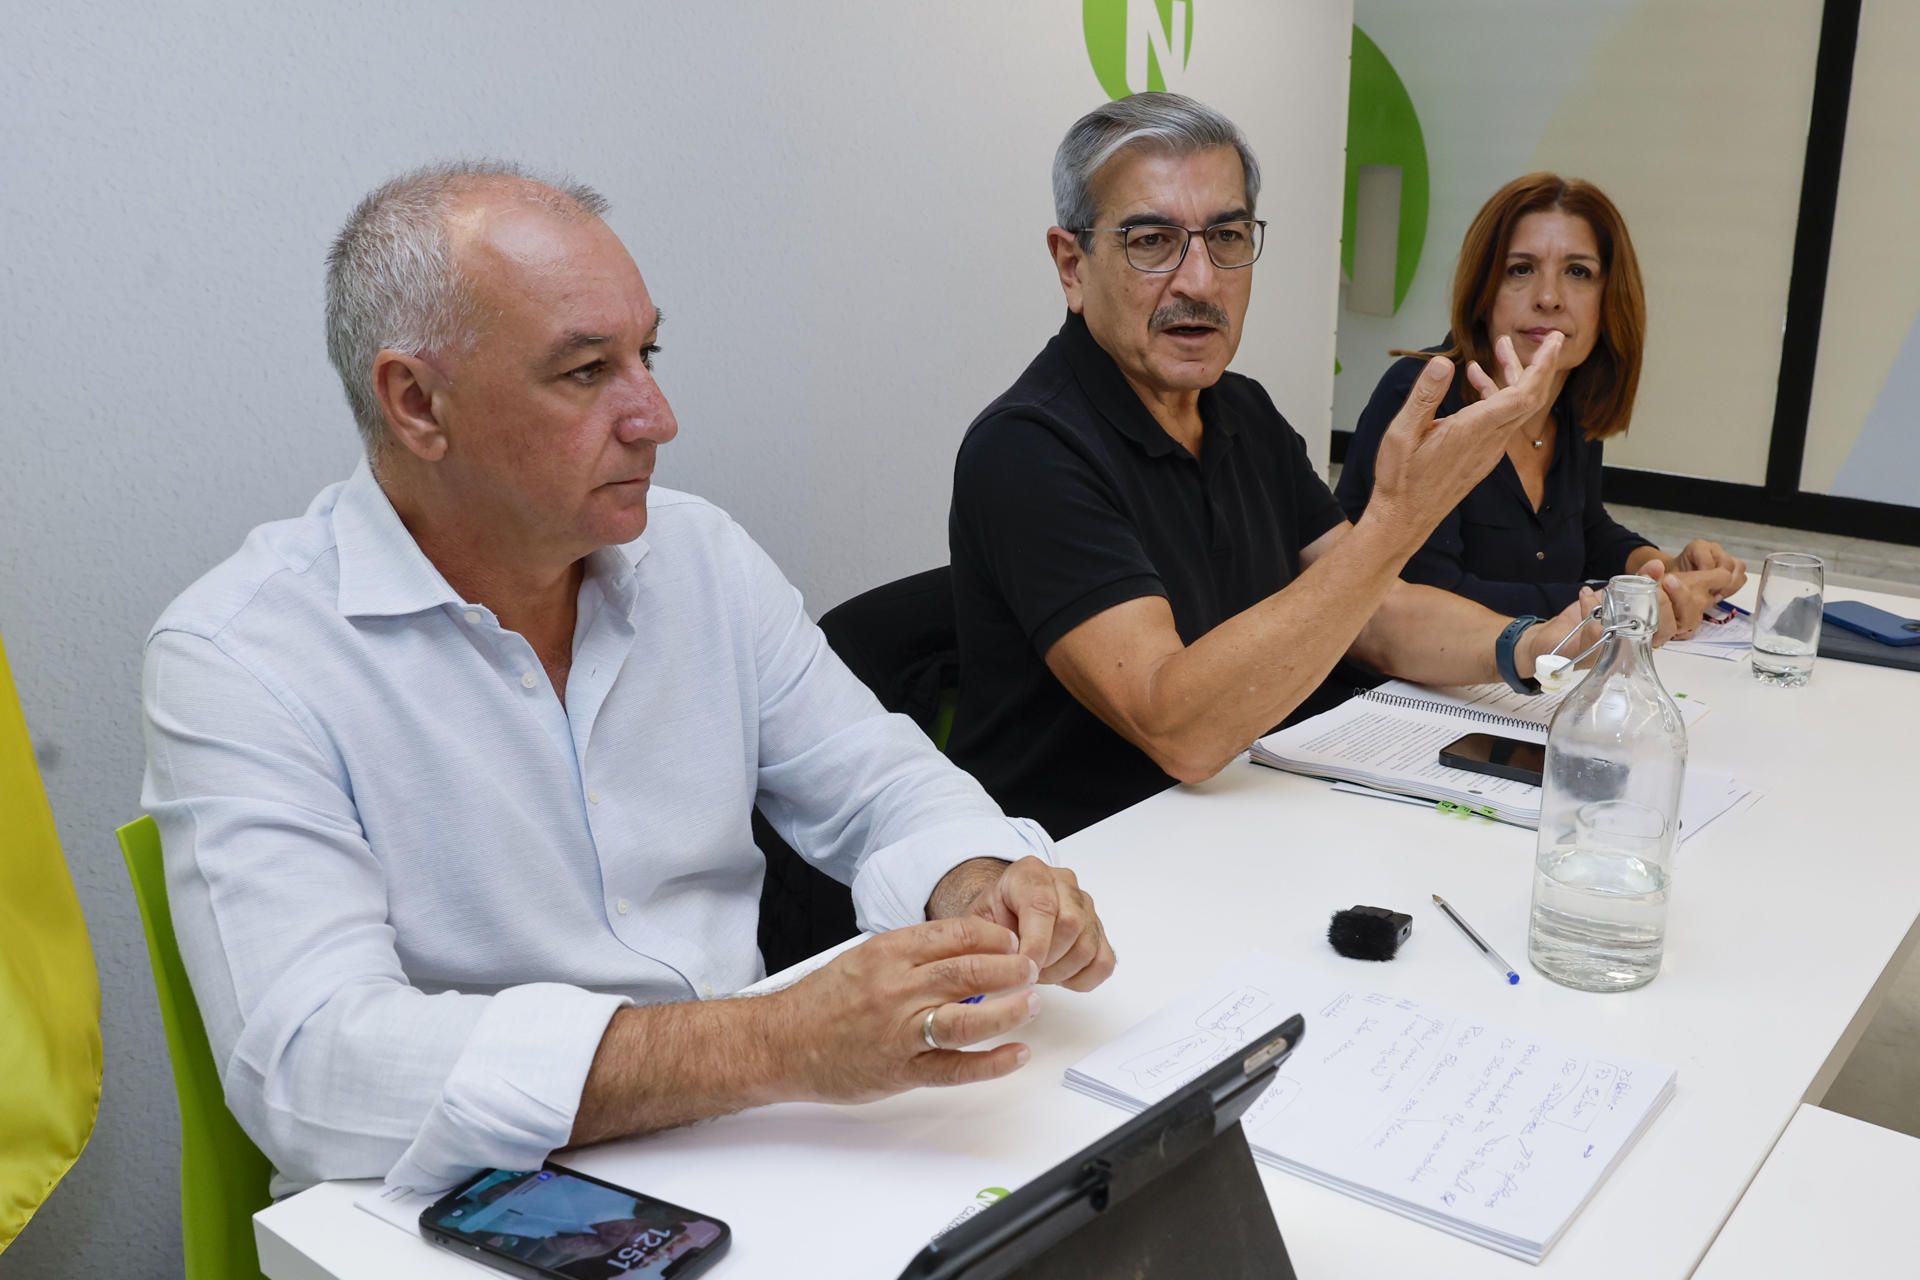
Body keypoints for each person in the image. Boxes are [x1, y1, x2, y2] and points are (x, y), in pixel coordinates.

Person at [141, 162, 1114, 1195]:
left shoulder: (698, 557)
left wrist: (978, 880)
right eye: (586, 371)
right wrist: (767, 1043)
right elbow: (311, 1067)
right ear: (417, 401)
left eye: (646, 352)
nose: (656, 415)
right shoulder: (241, 656)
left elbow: (879, 783)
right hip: (472, 1197)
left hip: (755, 1144)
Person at [948, 94, 1675, 840]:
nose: (1200, 280)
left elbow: (1375, 612)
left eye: (1227, 236)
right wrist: (1399, 518)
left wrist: (1533, 646)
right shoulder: (1027, 449)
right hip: (1091, 868)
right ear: (1072, 265)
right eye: (1152, 241)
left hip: (1253, 810)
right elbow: (1179, 731)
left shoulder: (1240, 410)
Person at [1335, 173, 1747, 627]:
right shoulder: (1423, 394)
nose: (1548, 297)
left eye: (1578, 272)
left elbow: (1586, 528)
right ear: (1483, 294)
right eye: (1521, 269)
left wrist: (1663, 569)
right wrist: (1623, 603)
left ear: (1609, 300)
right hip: (1398, 692)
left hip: (1526, 683)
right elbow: (1427, 595)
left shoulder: (1569, 395)